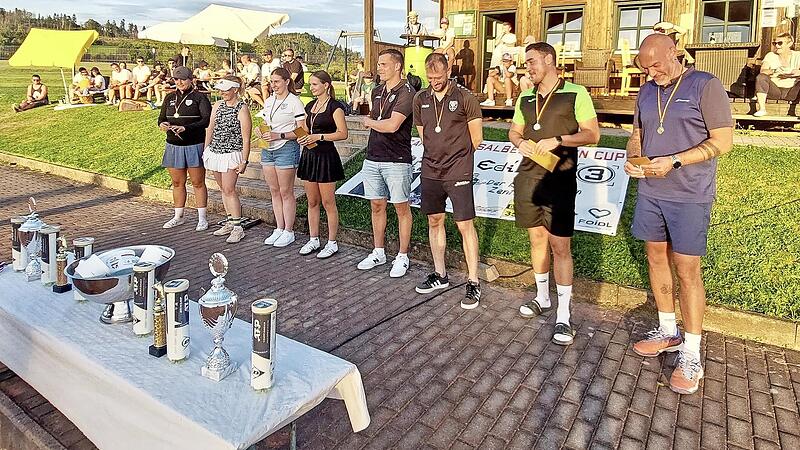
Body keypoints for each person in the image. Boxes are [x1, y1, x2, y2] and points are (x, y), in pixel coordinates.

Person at [625, 34, 733, 395]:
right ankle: (668, 330)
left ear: (674, 52)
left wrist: (674, 160)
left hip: (690, 195)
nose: (651, 71)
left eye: (656, 64)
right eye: (644, 66)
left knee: (687, 269)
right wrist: (634, 159)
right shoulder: (645, 90)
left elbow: (722, 142)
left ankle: (692, 352)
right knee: (656, 257)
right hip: (652, 192)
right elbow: (638, 132)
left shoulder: (705, 85)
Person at [509, 42, 600, 345]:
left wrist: (559, 139)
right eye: (526, 63)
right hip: (529, 178)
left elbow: (592, 134)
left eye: (532, 61)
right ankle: (541, 297)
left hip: (560, 179)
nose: (528, 68)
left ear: (549, 60)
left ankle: (564, 314)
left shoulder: (576, 93)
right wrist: (518, 142)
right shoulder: (525, 96)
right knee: (536, 239)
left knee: (560, 246)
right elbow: (514, 130)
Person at [412, 53, 484, 309]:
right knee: (434, 220)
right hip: (431, 169)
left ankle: (473, 282)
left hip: (458, 170)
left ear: (448, 70)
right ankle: (440, 274)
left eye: (439, 77)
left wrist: (458, 160)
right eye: (430, 78)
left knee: (465, 224)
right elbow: (425, 135)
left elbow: (477, 138)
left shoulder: (465, 97)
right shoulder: (420, 98)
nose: (434, 82)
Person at [356, 49, 416, 278]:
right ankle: (378, 251)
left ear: (397, 66)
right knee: (376, 206)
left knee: (401, 208)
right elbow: (380, 119)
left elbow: (392, 125)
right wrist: (374, 121)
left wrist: (369, 122)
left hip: (397, 160)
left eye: (383, 64)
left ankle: (402, 255)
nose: (378, 68)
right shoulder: (377, 91)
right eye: (378, 64)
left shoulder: (408, 92)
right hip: (373, 157)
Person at [296, 70, 348, 258]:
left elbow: (343, 133)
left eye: (315, 84)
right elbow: (304, 129)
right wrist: (301, 135)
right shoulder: (310, 105)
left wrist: (320, 136)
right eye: (311, 84)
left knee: (328, 202)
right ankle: (314, 238)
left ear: (326, 85)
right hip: (310, 155)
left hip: (326, 156)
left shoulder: (335, 107)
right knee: (312, 201)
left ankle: (332, 242)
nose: (312, 87)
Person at [256, 67, 307, 248]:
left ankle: (289, 230)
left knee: (286, 191)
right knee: (274, 190)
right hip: (268, 148)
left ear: (286, 81)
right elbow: (264, 122)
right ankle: (279, 227)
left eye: (277, 81)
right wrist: (261, 130)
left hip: (286, 148)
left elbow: (303, 130)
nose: (273, 85)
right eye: (271, 82)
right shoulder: (269, 101)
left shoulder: (294, 102)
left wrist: (280, 135)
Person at [157, 66, 212, 232]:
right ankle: (178, 216)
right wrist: (162, 124)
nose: (179, 82)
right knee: (177, 182)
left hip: (194, 144)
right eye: (176, 79)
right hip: (174, 145)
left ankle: (202, 218)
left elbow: (206, 120)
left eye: (183, 79)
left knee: (197, 182)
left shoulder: (199, 98)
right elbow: (160, 118)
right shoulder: (169, 97)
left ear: (191, 80)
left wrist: (186, 128)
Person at [203, 75, 252, 243]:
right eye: (221, 90)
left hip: (232, 154)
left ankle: (238, 228)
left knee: (230, 189)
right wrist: (205, 149)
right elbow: (210, 127)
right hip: (215, 152)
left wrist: (244, 160)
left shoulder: (242, 109)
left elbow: (246, 138)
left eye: (226, 90)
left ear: (235, 89)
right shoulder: (217, 105)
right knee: (223, 189)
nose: (222, 93)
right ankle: (230, 221)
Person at [753, 33, 800, 117]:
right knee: (761, 77)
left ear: (789, 44)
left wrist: (795, 72)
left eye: (780, 43)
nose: (777, 46)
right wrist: (775, 71)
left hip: (792, 91)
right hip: (775, 90)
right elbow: (763, 71)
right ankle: (762, 109)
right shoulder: (771, 55)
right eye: (774, 43)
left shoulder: (798, 55)